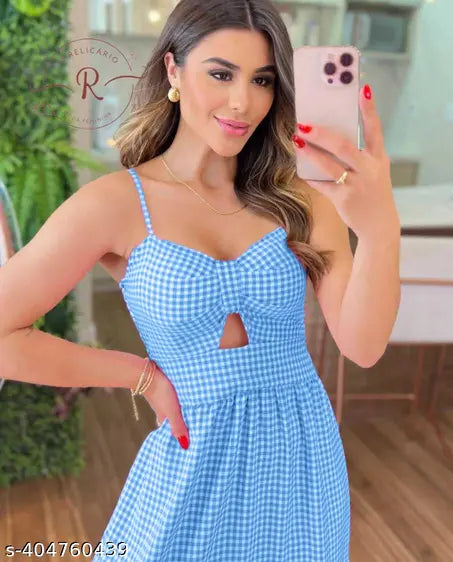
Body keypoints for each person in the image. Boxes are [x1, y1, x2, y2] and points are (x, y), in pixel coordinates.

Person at [0, 0, 401, 559]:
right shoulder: (115, 204)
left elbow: (363, 346)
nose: (243, 102)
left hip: (302, 461)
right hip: (190, 465)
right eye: (221, 74)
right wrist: (141, 376)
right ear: (173, 69)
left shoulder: (301, 200)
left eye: (262, 80)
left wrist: (381, 228)